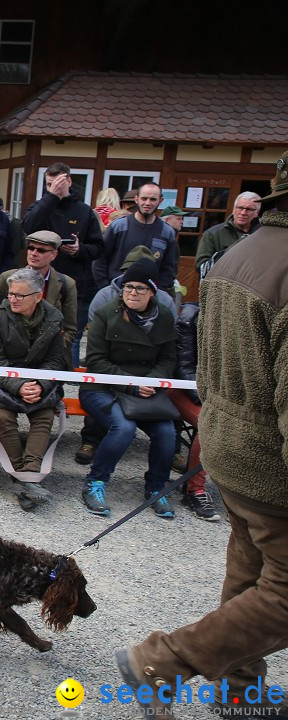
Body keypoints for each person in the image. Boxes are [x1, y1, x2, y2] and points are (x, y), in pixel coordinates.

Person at [116, 151, 288, 718]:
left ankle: (241, 688)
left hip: (229, 446)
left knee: (251, 569)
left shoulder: (238, 256)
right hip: (272, 462)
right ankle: (159, 663)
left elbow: (208, 368)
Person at [78, 258, 177, 519]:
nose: (132, 292)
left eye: (140, 288)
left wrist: (153, 381)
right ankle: (95, 482)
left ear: (153, 292)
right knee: (123, 427)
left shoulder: (165, 317)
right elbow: (96, 362)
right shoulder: (106, 314)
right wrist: (133, 385)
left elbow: (169, 359)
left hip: (146, 390)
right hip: (103, 387)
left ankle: (156, 487)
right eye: (128, 286)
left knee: (167, 432)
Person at [0, 268, 67, 511]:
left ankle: (28, 473)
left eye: (20, 295)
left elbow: (55, 361)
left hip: (39, 382)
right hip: (4, 382)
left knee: (44, 417)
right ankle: (28, 481)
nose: (13, 299)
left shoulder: (54, 317)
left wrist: (40, 385)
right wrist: (19, 386)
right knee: (4, 418)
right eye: (11, 294)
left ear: (38, 296)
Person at [21, 162, 105, 368]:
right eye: (49, 184)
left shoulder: (84, 211)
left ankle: (69, 377)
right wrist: (52, 197)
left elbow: (98, 248)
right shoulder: (41, 206)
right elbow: (27, 227)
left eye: (57, 184)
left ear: (68, 181)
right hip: (39, 281)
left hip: (75, 281)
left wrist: (79, 250)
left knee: (71, 335)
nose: (53, 188)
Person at [0, 230, 78, 363]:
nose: (34, 253)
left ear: (54, 255)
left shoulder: (66, 284)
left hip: (48, 360)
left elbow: (70, 329)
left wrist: (47, 351)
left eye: (41, 250)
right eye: (31, 248)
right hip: (10, 358)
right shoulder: (8, 278)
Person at [167, 302, 219, 521]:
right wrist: (206, 398)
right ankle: (194, 490)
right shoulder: (189, 319)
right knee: (209, 423)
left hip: (218, 395)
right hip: (184, 388)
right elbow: (184, 367)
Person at [94, 182, 178, 291]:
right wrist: (106, 288)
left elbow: (168, 269)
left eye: (153, 199)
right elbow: (99, 259)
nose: (147, 203)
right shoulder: (119, 226)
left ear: (161, 201)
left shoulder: (167, 232)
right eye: (144, 198)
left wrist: (157, 292)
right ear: (136, 199)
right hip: (116, 291)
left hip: (149, 295)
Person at [195, 191, 262, 279]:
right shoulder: (213, 234)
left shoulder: (263, 233)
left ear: (257, 213)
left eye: (249, 209)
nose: (243, 213)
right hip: (222, 285)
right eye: (240, 208)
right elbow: (201, 266)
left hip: (253, 286)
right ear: (234, 209)